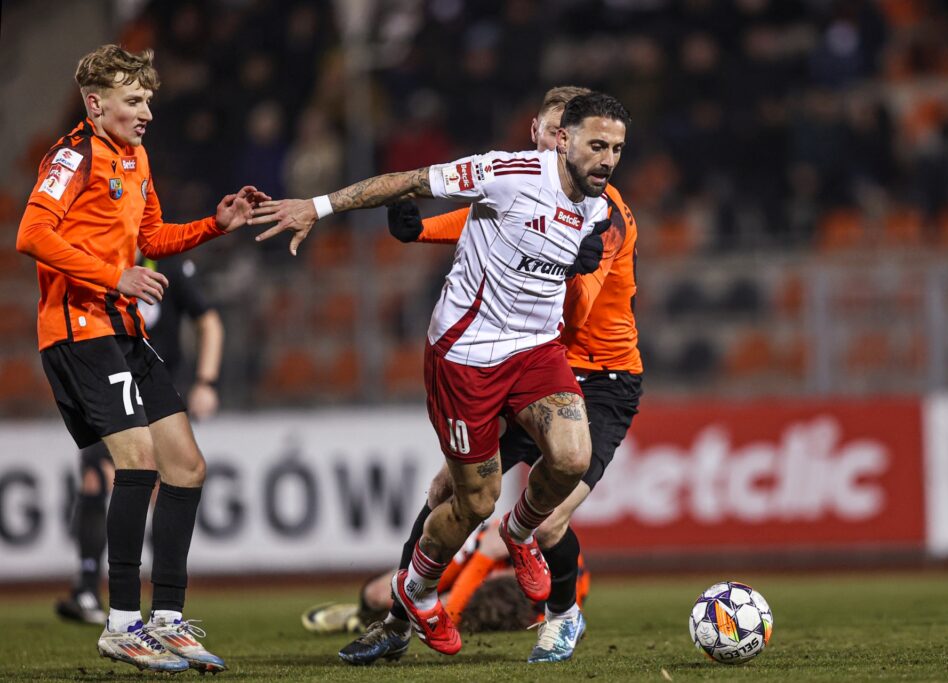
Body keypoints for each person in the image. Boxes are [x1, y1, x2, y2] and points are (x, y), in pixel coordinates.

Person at [250, 91, 630, 660]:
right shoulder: (506, 174)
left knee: (572, 457)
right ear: (561, 139)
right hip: (466, 355)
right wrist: (318, 207)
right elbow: (407, 182)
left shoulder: (599, 209)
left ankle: (519, 534)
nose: (607, 159)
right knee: (472, 501)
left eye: (617, 149)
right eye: (597, 145)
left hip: (537, 350)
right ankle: (416, 591)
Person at [15, 44, 268, 674]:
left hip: (124, 330)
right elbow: (32, 233)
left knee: (187, 466)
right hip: (80, 330)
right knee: (139, 462)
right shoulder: (72, 156)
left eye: (149, 99)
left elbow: (152, 237)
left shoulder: (136, 157)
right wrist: (114, 276)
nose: (147, 111)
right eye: (134, 100)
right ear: (95, 104)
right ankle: (122, 623)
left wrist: (215, 224)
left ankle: (168, 620)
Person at [55, 253, 224, 626]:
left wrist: (206, 382)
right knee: (98, 477)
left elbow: (209, 321)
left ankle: (160, 605)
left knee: (163, 483)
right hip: (106, 382)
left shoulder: (169, 265)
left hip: (154, 387)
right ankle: (92, 591)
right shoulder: (95, 261)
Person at [303, 520, 591, 640]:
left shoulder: (540, 610)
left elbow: (452, 613)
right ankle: (363, 611)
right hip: (467, 557)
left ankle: (369, 620)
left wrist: (485, 559)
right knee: (380, 594)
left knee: (437, 614)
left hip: (479, 580)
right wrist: (421, 590)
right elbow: (493, 541)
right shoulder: (533, 553)